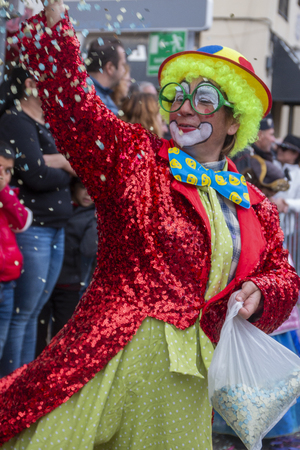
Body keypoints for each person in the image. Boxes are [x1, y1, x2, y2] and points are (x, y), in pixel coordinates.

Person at [0, 5, 298, 448]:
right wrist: (54, 25)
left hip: (185, 383)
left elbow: (283, 275)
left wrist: (264, 292)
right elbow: (77, 111)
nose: (184, 108)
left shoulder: (256, 206)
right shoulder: (135, 161)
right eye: (178, 95)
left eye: (204, 99)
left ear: (235, 120)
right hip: (107, 359)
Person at [213, 153, 300, 439]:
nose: (271, 199)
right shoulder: (243, 217)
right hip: (248, 318)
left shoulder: (264, 215)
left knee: (265, 379)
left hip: (272, 321)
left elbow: (281, 269)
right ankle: (235, 431)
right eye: (269, 192)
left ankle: (274, 431)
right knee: (242, 380)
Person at [0, 66, 74, 376]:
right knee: (22, 314)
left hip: (54, 228)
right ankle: (10, 390)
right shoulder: (16, 120)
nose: (60, 88)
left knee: (31, 314)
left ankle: (20, 389)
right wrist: (67, 165)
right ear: (31, 84)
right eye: (52, 80)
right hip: (34, 230)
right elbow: (36, 175)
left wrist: (59, 162)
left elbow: (65, 166)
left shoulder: (47, 124)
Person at [36, 177, 97, 355]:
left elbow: (88, 248)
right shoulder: (61, 208)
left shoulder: (93, 215)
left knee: (62, 336)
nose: (87, 193)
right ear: (73, 188)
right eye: (82, 187)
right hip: (46, 282)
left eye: (91, 189)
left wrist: (96, 221)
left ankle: (54, 375)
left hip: (71, 285)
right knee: (38, 331)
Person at [0, 141, 32, 364]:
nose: (3, 175)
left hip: (8, 283)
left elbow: (22, 221)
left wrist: (5, 193)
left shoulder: (6, 196)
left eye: (7, 170)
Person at [86, 36, 127, 115]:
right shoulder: (99, 105)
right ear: (110, 68)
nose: (124, 71)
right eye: (122, 65)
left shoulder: (77, 90)